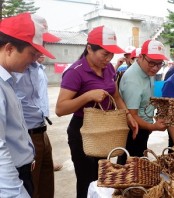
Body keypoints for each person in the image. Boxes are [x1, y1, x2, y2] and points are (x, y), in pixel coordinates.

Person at [55, 26, 138, 198]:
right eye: (104, 54)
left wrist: (129, 116)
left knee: (103, 180)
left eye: (111, 54)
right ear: (89, 48)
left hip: (103, 130)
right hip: (82, 132)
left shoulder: (109, 68)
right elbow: (60, 109)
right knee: (87, 181)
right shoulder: (75, 72)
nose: (108, 58)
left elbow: (116, 95)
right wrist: (87, 96)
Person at [0, 12, 54, 197]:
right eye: (32, 54)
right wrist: (17, 193)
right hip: (12, 177)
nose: (34, 60)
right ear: (9, 48)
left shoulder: (8, 80)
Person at [118, 39, 168, 163]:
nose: (155, 68)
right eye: (152, 63)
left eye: (159, 64)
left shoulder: (147, 71)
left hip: (144, 127)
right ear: (140, 57)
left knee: (138, 164)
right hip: (133, 131)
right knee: (130, 167)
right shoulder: (133, 80)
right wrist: (153, 126)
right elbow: (132, 116)